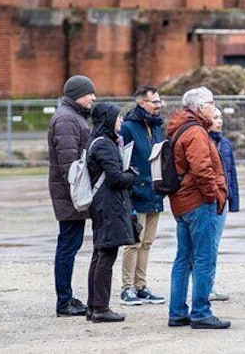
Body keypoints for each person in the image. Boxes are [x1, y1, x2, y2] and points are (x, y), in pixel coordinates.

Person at [166, 87, 231, 330]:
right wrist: (213, 196)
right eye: (212, 103)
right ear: (201, 107)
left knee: (184, 258)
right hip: (198, 203)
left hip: (182, 202)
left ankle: (178, 312)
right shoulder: (196, 132)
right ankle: (201, 312)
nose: (215, 107)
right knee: (204, 258)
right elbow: (202, 169)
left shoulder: (181, 128)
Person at [47, 74, 96, 317]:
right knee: (68, 245)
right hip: (70, 194)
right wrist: (79, 194)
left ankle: (66, 297)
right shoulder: (67, 119)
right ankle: (64, 300)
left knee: (71, 244)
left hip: (71, 193)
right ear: (78, 94)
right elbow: (70, 165)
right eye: (89, 93)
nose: (93, 98)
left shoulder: (73, 116)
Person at [85, 102, 137, 323]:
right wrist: (131, 175)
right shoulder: (105, 145)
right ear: (108, 119)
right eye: (118, 117)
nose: (121, 121)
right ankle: (100, 308)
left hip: (102, 205)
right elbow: (115, 178)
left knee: (100, 254)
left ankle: (93, 306)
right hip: (108, 205)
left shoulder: (97, 141)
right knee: (106, 255)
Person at [118, 86, 167, 307]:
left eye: (159, 101)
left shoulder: (157, 127)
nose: (158, 105)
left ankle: (141, 285)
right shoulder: (128, 128)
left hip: (155, 191)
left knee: (147, 242)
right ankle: (126, 287)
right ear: (141, 103)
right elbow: (123, 159)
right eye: (154, 102)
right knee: (133, 242)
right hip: (136, 191)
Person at [207, 106, 240, 302]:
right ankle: (203, 286)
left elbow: (231, 174)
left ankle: (210, 284)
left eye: (220, 117)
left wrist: (233, 200)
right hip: (209, 199)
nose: (219, 121)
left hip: (223, 200)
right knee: (207, 245)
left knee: (215, 244)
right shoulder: (202, 140)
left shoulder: (225, 144)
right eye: (215, 117)